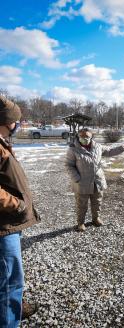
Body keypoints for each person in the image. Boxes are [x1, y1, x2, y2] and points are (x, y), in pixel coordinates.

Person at [0, 95, 40, 327]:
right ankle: (8, 318)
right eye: (15, 120)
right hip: (4, 227)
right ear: (6, 121)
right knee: (10, 281)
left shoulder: (3, 142)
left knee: (8, 278)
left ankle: (11, 308)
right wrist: (18, 205)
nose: (18, 124)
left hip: (9, 224)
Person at [66, 128, 124, 232]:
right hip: (82, 183)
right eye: (82, 136)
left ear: (91, 137)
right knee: (81, 204)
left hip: (97, 181)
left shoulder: (97, 147)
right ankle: (80, 222)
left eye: (87, 137)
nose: (84, 139)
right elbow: (69, 165)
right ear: (78, 137)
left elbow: (109, 151)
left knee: (97, 202)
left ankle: (96, 218)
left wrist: (121, 148)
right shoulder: (73, 149)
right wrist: (76, 178)